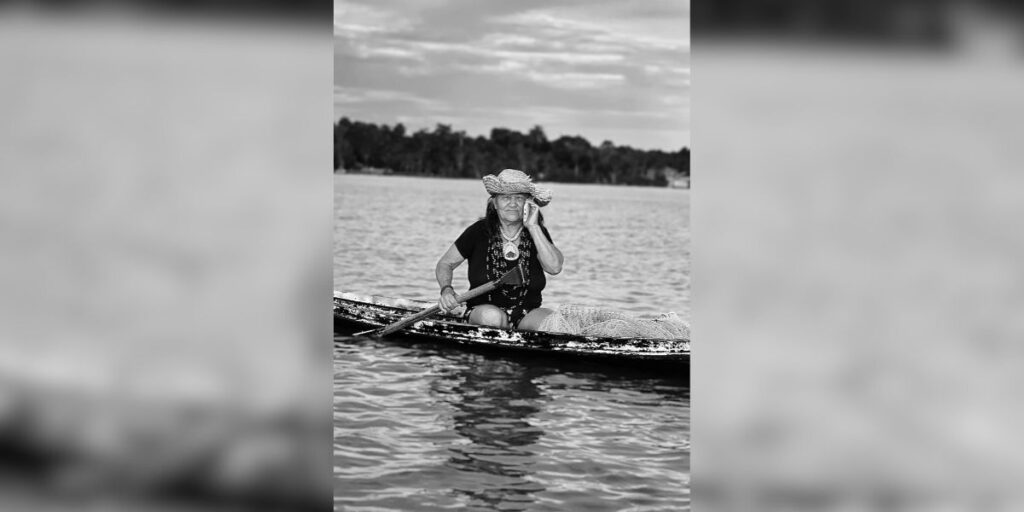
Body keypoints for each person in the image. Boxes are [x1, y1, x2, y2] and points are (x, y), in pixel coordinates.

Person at [435, 169, 563, 330]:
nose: (513, 204)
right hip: (483, 311)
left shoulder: (538, 233)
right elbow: (445, 264)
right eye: (506, 198)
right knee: (494, 318)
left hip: (528, 313)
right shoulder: (478, 231)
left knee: (555, 323)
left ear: (528, 204)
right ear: (494, 203)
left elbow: (554, 268)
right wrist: (446, 290)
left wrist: (534, 227)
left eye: (519, 198)